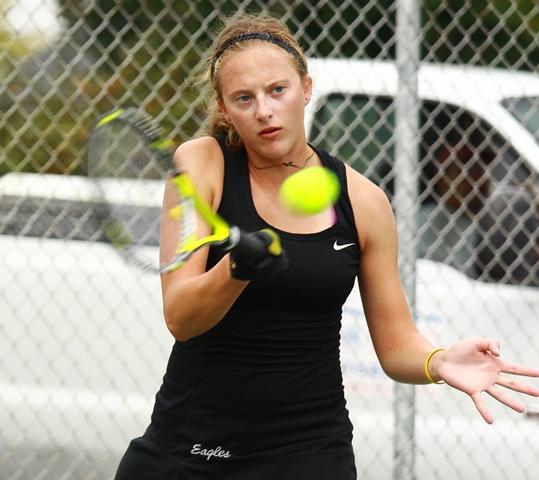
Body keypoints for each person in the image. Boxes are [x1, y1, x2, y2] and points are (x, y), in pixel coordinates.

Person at [115, 13, 539, 480]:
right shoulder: (202, 164)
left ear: (306, 88)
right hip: (192, 450)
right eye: (244, 98)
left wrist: (438, 361)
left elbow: (396, 343)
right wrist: (236, 266)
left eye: (278, 90)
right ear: (224, 107)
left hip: (309, 452)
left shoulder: (364, 201)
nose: (264, 110)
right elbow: (180, 316)